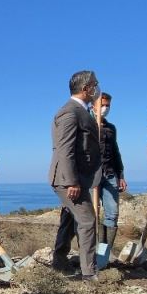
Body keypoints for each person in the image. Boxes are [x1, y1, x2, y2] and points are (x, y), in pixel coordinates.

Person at [49, 71, 102, 281]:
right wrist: (72, 180)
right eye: (95, 85)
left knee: (71, 219)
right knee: (88, 221)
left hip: (77, 178)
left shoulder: (82, 110)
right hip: (68, 179)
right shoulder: (70, 112)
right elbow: (65, 149)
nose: (97, 88)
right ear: (86, 88)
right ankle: (89, 273)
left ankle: (60, 261)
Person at [95, 92, 127, 251]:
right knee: (90, 215)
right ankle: (90, 253)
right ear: (94, 105)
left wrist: (121, 175)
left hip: (110, 174)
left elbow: (115, 152)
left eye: (108, 106)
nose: (105, 108)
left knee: (112, 213)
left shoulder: (111, 128)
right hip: (90, 177)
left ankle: (104, 254)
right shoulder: (85, 124)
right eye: (103, 105)